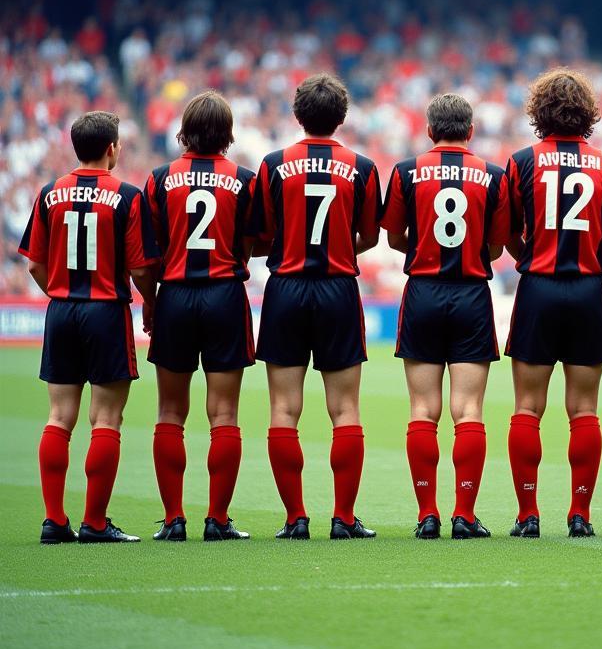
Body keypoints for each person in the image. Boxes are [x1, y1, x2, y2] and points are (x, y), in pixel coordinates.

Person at [247, 73, 381, 540]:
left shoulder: (272, 164)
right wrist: (341, 248)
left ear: (298, 115)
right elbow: (371, 235)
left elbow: (260, 236)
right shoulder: (362, 166)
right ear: (342, 117)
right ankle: (343, 518)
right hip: (338, 288)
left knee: (284, 409)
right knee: (344, 409)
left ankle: (295, 518)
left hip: (285, 289)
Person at [20, 111, 159, 544]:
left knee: (59, 418)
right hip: (105, 313)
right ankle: (95, 522)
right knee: (106, 420)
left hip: (62, 311)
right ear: (112, 148)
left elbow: (34, 264)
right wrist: (150, 304)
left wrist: (60, 293)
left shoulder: (49, 193)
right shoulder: (128, 196)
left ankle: (53, 520)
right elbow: (139, 268)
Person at [380, 94, 511, 540]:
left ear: (429, 130)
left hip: (423, 292)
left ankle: (427, 514)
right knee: (468, 409)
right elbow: (497, 247)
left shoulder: (405, 171)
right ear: (471, 131)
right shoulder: (493, 175)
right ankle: (464, 514)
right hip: (472, 293)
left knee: (423, 409)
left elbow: (395, 238)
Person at [504, 68, 602, 538]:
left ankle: (528, 515)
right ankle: (580, 516)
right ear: (588, 112)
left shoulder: (522, 162)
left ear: (538, 111)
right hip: (588, 290)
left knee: (527, 408)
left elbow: (506, 232)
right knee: (584, 409)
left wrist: (528, 256)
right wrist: (596, 256)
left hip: (537, 287)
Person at [143, 91, 256, 542]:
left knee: (170, 411)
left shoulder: (158, 179)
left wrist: (151, 300)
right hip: (225, 296)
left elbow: (149, 254)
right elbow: (251, 241)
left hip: (175, 296)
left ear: (184, 131)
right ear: (227, 133)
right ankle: (218, 520)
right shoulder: (244, 180)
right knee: (224, 413)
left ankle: (174, 519)